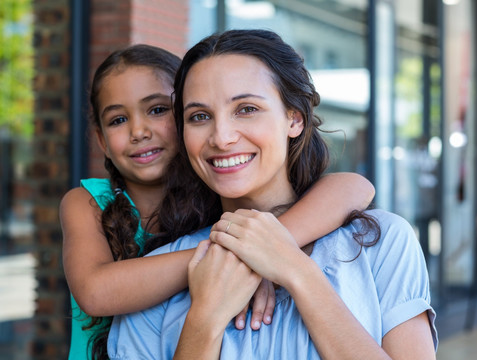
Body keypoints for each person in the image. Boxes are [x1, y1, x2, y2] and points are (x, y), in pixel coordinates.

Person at [107, 30, 438, 359]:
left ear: (294, 118)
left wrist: (296, 270)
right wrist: (204, 319)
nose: (221, 137)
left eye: (247, 109)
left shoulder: (380, 242)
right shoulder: (157, 279)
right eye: (200, 117)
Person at [60, 44, 376, 360]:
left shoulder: (221, 185)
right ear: (101, 140)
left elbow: (354, 187)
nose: (138, 131)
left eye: (157, 110)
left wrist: (270, 250)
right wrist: (238, 254)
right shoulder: (88, 202)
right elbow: (95, 292)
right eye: (117, 120)